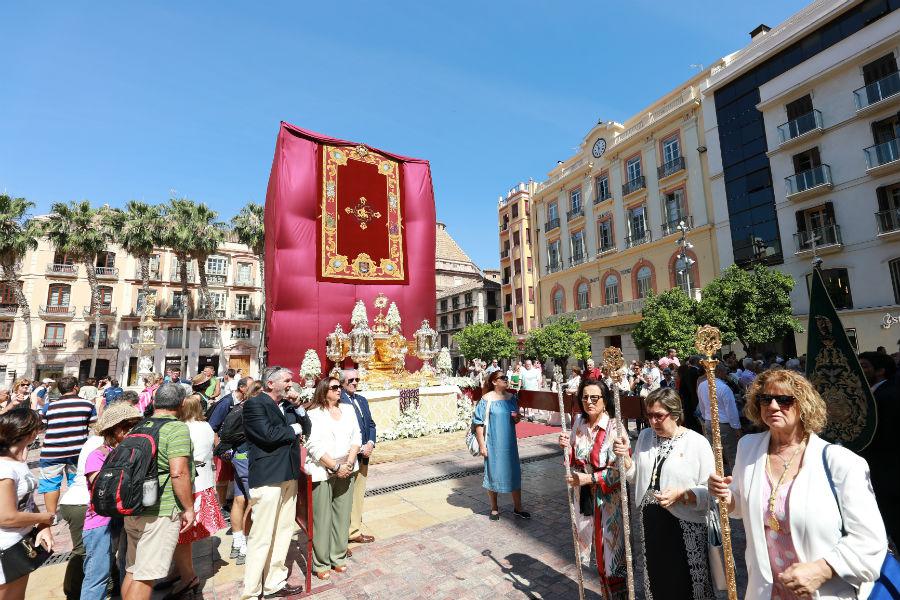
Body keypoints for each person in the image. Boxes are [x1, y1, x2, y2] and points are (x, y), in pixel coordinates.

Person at [708, 369, 888, 599]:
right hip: (766, 592)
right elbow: (742, 506)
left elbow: (870, 540)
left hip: (823, 592)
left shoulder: (842, 463)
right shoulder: (748, 448)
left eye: (784, 400)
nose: (773, 406)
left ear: (804, 405)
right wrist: (726, 495)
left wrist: (822, 569)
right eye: (765, 399)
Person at [615, 388, 716, 599]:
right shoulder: (645, 437)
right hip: (651, 523)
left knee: (685, 583)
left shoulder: (697, 443)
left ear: (675, 414)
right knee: (658, 579)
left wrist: (683, 494)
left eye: (658, 416)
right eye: (649, 415)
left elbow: (711, 493)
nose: (653, 422)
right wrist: (625, 458)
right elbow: (636, 476)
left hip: (684, 525)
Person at [120, 383, 195, 600]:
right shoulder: (177, 428)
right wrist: (188, 507)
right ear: (181, 404)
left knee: (134, 570)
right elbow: (179, 472)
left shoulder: (140, 426)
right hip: (160, 509)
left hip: (134, 506)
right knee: (147, 576)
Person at [239, 367, 306, 599]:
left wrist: (298, 408)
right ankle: (251, 590)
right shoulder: (255, 404)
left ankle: (274, 583)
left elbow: (307, 429)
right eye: (287, 380)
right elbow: (267, 435)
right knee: (262, 535)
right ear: (270, 384)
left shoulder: (288, 406)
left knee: (284, 532)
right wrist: (292, 429)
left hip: (288, 475)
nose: (291, 383)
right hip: (268, 478)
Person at [558, 378, 626, 599]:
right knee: (597, 554)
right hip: (585, 499)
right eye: (585, 397)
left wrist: (589, 478)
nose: (589, 401)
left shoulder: (615, 428)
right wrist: (566, 447)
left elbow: (620, 471)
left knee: (611, 557)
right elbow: (575, 458)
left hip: (609, 501)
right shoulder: (579, 422)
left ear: (604, 400)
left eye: (594, 397)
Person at [82, 402, 143, 600]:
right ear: (118, 430)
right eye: (131, 426)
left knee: (129, 568)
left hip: (126, 518)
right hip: (101, 522)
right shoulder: (97, 455)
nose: (135, 430)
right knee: (97, 576)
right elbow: (102, 488)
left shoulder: (131, 452)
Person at [304, 376, 361, 580]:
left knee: (342, 514)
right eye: (335, 387)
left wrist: (348, 463)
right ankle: (321, 562)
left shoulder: (349, 410)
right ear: (324, 390)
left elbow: (357, 437)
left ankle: (338, 556)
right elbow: (313, 444)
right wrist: (335, 466)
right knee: (322, 517)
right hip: (323, 469)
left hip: (347, 467)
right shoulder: (314, 414)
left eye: (339, 387)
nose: (339, 390)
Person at [169, 394, 225, 597]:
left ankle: (187, 575)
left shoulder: (184, 428)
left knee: (182, 533)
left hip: (191, 483)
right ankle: (180, 569)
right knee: (185, 534)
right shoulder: (206, 426)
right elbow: (215, 445)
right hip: (205, 480)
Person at [0, 407, 54, 599]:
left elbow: (27, 500)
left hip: (19, 545)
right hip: (4, 548)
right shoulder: (4, 468)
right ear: (30, 433)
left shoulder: (17, 462)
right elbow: (6, 517)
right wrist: (46, 517)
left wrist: (42, 525)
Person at [57, 416, 105, 600]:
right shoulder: (99, 443)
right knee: (84, 553)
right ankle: (74, 591)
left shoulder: (92, 440)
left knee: (86, 551)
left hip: (73, 500)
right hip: (81, 503)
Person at [474, 370, 530, 520]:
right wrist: (482, 445)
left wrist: (517, 418)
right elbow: (478, 424)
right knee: (493, 472)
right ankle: (494, 508)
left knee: (514, 472)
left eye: (506, 377)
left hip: (509, 443)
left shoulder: (512, 398)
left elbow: (515, 419)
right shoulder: (486, 399)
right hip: (493, 442)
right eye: (502, 378)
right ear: (494, 382)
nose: (506, 379)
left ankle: (518, 507)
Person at [38, 375, 97, 515]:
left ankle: (51, 516)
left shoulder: (49, 407)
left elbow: (42, 426)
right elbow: (93, 424)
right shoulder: (88, 405)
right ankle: (75, 512)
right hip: (77, 451)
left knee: (50, 484)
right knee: (76, 481)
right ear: (76, 387)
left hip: (52, 451)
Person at [858, 351, 900, 547]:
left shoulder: (887, 396)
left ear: (881, 370)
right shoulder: (878, 392)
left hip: (889, 471)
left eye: (865, 366)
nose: (860, 370)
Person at [225, 380, 261, 565]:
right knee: (252, 501)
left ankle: (238, 541)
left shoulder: (240, 406)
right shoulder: (252, 409)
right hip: (246, 456)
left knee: (240, 499)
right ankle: (246, 543)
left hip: (237, 455)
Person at [209, 376, 254, 524]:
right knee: (222, 477)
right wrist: (220, 448)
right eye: (252, 387)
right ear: (242, 388)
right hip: (224, 446)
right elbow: (213, 426)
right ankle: (221, 506)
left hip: (233, 446)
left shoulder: (241, 403)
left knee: (230, 477)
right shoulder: (226, 402)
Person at [339, 369, 376, 546]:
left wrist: (370, 443)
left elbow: (371, 424)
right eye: (350, 380)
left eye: (357, 380)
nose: (354, 383)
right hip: (347, 458)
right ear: (342, 383)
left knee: (358, 495)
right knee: (343, 497)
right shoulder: (338, 401)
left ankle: (354, 531)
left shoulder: (362, 400)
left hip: (364, 456)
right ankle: (340, 537)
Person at [697, 363, 741, 474]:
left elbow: (701, 406)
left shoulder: (702, 385)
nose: (726, 373)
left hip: (709, 421)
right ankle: (735, 479)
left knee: (713, 454)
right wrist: (737, 428)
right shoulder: (724, 388)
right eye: (724, 371)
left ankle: (715, 476)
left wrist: (706, 418)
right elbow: (731, 411)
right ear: (719, 372)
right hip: (724, 424)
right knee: (731, 454)